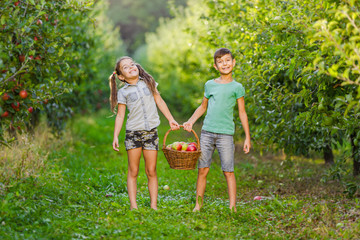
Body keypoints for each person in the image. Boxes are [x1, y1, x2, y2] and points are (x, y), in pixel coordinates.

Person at [183, 48, 251, 212]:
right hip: (207, 132)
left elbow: (242, 112)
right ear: (215, 66)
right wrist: (191, 121)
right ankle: (198, 205)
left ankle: (233, 207)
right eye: (220, 61)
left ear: (233, 62)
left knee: (228, 171)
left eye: (227, 60)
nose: (224, 64)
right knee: (203, 170)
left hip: (226, 135)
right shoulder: (210, 84)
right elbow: (203, 107)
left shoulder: (237, 87)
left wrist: (248, 137)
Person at [110, 56, 179, 210]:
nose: (131, 67)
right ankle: (133, 206)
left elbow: (159, 101)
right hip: (133, 134)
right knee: (133, 170)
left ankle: (153, 205)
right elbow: (120, 115)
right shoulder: (123, 92)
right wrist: (115, 135)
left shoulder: (148, 82)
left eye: (132, 64)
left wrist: (170, 119)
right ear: (121, 76)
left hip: (151, 133)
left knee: (151, 170)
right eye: (126, 67)